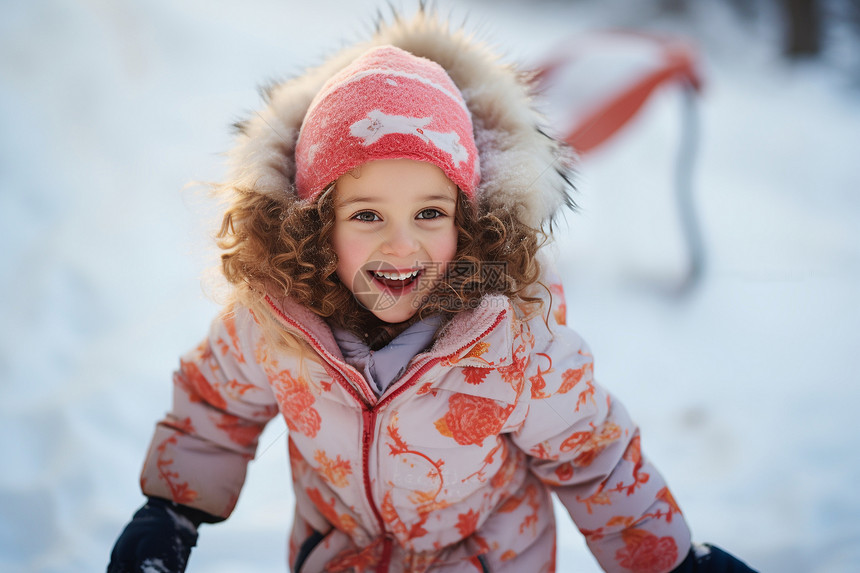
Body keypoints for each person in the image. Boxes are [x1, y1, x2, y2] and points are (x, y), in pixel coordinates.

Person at [108, 10, 756, 573]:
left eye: (429, 214)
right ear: (317, 224)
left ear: (464, 218)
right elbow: (214, 404)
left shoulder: (510, 338)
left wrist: (669, 557)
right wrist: (171, 509)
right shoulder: (275, 322)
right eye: (367, 216)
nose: (401, 245)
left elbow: (595, 455)